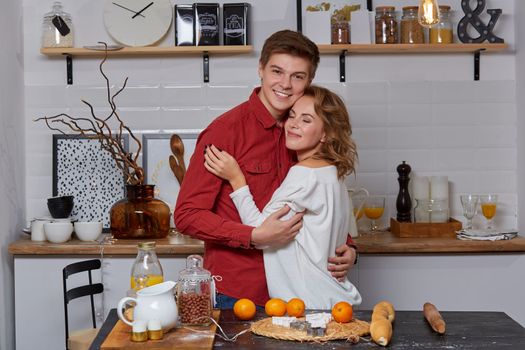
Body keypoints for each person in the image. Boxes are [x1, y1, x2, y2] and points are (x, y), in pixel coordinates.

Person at [174, 30, 357, 308]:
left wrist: (348, 246)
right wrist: (251, 236)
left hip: (300, 294)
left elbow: (319, 199)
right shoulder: (225, 133)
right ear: (260, 69)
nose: (285, 84)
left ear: (309, 81)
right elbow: (187, 216)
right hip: (240, 292)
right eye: (277, 71)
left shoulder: (306, 133)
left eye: (298, 76)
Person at [204, 85, 361, 309]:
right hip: (335, 299)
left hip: (307, 305)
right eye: (292, 116)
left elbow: (260, 230)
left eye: (306, 120)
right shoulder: (333, 172)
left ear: (327, 133)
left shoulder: (303, 174)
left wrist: (236, 179)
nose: (294, 124)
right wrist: (352, 250)